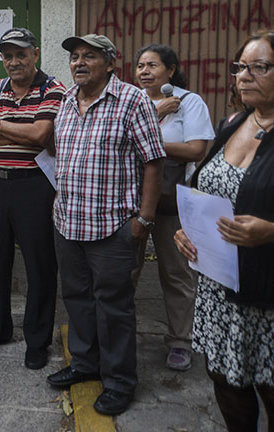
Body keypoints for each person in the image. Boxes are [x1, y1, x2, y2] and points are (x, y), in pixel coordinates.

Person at [47, 34, 165, 416]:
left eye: (90, 57)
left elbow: (153, 162)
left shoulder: (133, 100)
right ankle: (85, 364)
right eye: (75, 57)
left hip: (113, 226)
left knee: (113, 306)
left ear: (111, 63)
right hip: (68, 223)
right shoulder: (66, 101)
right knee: (77, 299)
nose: (79, 63)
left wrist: (143, 219)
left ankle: (118, 381)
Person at [174, 31, 274, 430]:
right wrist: (187, 232)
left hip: (266, 294)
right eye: (240, 67)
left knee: (269, 385)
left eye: (259, 67)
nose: (244, 76)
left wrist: (270, 231)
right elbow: (203, 188)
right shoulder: (233, 123)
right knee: (225, 380)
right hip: (219, 286)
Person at [0, 28, 64, 370]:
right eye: (8, 55)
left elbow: (41, 135)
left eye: (20, 54)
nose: (14, 61)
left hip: (34, 186)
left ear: (35, 54)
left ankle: (37, 340)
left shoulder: (53, 89)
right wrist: (5, 127)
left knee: (39, 265)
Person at [133, 44, 213, 371]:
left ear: (171, 69)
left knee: (176, 273)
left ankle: (180, 341)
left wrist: (149, 141)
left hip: (174, 201)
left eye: (152, 65)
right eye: (140, 65)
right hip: (132, 199)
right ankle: (118, 334)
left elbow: (195, 149)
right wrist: (155, 115)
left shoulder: (189, 102)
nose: (144, 71)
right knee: (125, 270)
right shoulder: (132, 101)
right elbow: (115, 140)